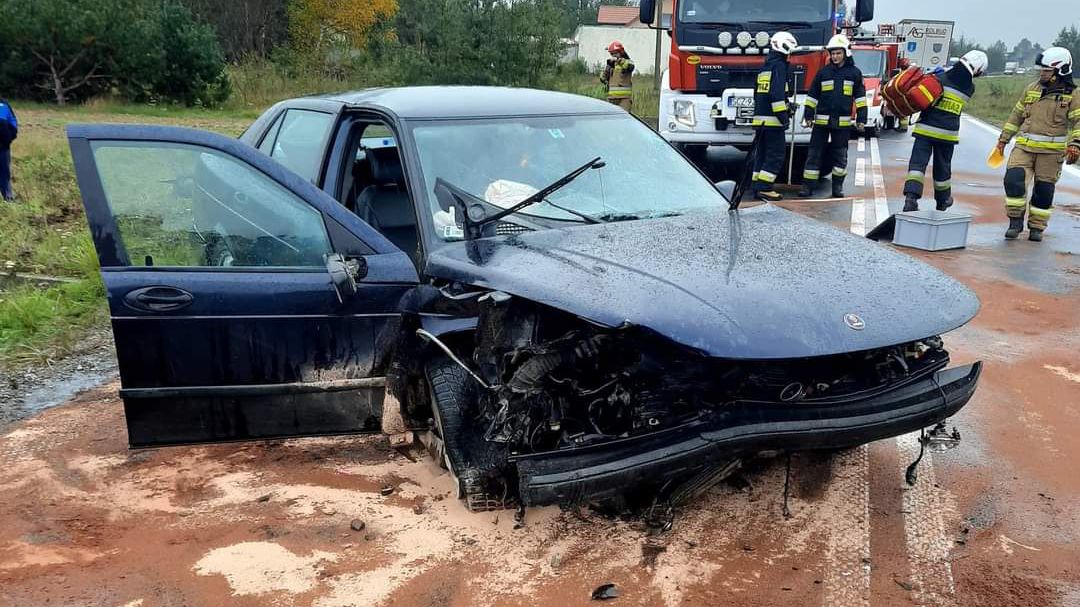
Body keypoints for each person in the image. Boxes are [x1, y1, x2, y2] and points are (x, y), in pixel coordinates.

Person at [995, 47, 1080, 241]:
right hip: (1023, 148)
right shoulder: (1031, 89)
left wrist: (1076, 144)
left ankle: (1036, 227)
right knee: (1013, 181)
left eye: (1047, 70)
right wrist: (1003, 139)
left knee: (1044, 191)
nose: (1042, 73)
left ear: (1062, 70)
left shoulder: (1073, 95)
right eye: (1041, 70)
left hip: (1050, 155)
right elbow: (1015, 116)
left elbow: (1078, 122)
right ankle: (1015, 222)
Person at [902, 50, 988, 213]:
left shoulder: (940, 77)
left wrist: (936, 73)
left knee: (917, 166)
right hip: (947, 135)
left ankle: (910, 199)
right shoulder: (969, 88)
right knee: (942, 168)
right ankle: (943, 201)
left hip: (925, 131)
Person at [799, 34, 866, 198]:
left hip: (842, 125)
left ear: (846, 53)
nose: (835, 56)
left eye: (838, 53)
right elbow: (812, 96)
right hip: (821, 123)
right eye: (833, 53)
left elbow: (861, 99)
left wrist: (861, 119)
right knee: (814, 155)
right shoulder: (823, 73)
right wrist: (808, 115)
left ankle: (837, 188)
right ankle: (807, 187)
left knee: (840, 157)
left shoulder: (855, 74)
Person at [751, 31, 798, 202]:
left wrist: (787, 105)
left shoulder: (765, 66)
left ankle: (756, 184)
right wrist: (784, 117)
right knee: (776, 154)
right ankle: (765, 187)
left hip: (760, 120)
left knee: (761, 154)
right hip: (773, 121)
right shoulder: (779, 66)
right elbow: (776, 95)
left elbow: (758, 93)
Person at [601, 41, 634, 111]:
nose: (613, 56)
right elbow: (603, 78)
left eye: (614, 53)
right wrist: (607, 69)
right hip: (611, 98)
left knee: (624, 118)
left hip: (624, 99)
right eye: (611, 54)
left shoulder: (628, 62)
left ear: (620, 52)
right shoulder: (611, 65)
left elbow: (630, 66)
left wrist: (619, 61)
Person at [0, 99, 17, 201]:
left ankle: (8, 198)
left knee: (5, 173)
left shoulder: (5, 104)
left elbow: (13, 123)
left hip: (3, 147)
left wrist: (8, 140)